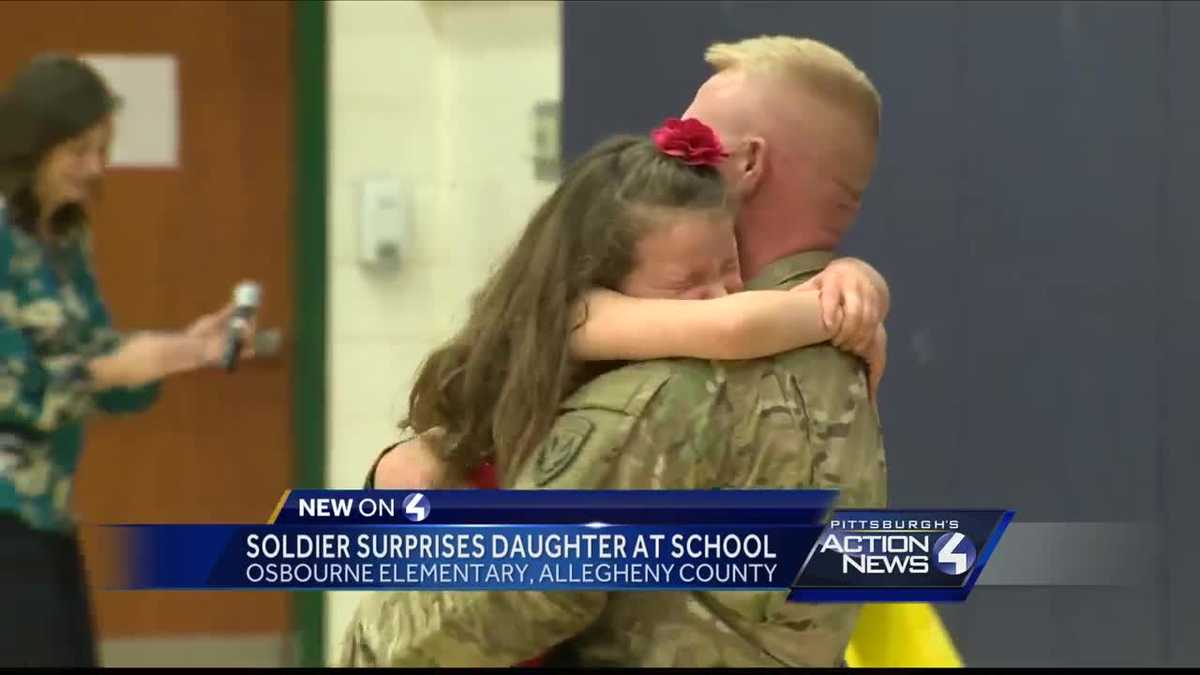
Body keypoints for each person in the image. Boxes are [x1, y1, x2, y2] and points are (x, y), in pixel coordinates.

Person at [340, 34, 886, 667]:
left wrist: (368, 642)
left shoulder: (669, 386)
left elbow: (515, 594)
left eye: (695, 137)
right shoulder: (842, 363)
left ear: (748, 164)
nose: (673, 159)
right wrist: (848, 294)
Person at [364, 119, 886, 496]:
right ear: (597, 274)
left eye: (728, 267)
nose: (719, 295)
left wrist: (853, 282)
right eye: (687, 282)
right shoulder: (576, 312)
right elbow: (732, 326)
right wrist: (836, 309)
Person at [0, 54, 256, 667]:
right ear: (32, 145)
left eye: (102, 149)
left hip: (45, 511)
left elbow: (98, 366)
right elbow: (23, 387)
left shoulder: (63, 239)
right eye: (77, 150)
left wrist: (179, 352)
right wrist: (118, 367)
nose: (95, 167)